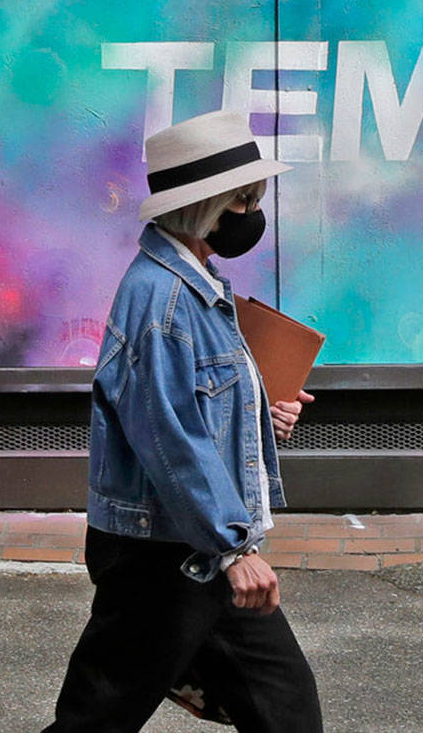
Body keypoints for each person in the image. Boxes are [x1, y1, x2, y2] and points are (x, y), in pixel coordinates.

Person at [44, 111, 323, 732]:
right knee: (97, 719)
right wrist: (232, 548)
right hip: (164, 554)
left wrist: (257, 416)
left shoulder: (199, 284)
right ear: (205, 207)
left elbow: (199, 413)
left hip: (196, 544)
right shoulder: (162, 301)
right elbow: (170, 437)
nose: (254, 213)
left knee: (287, 710)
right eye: (243, 200)